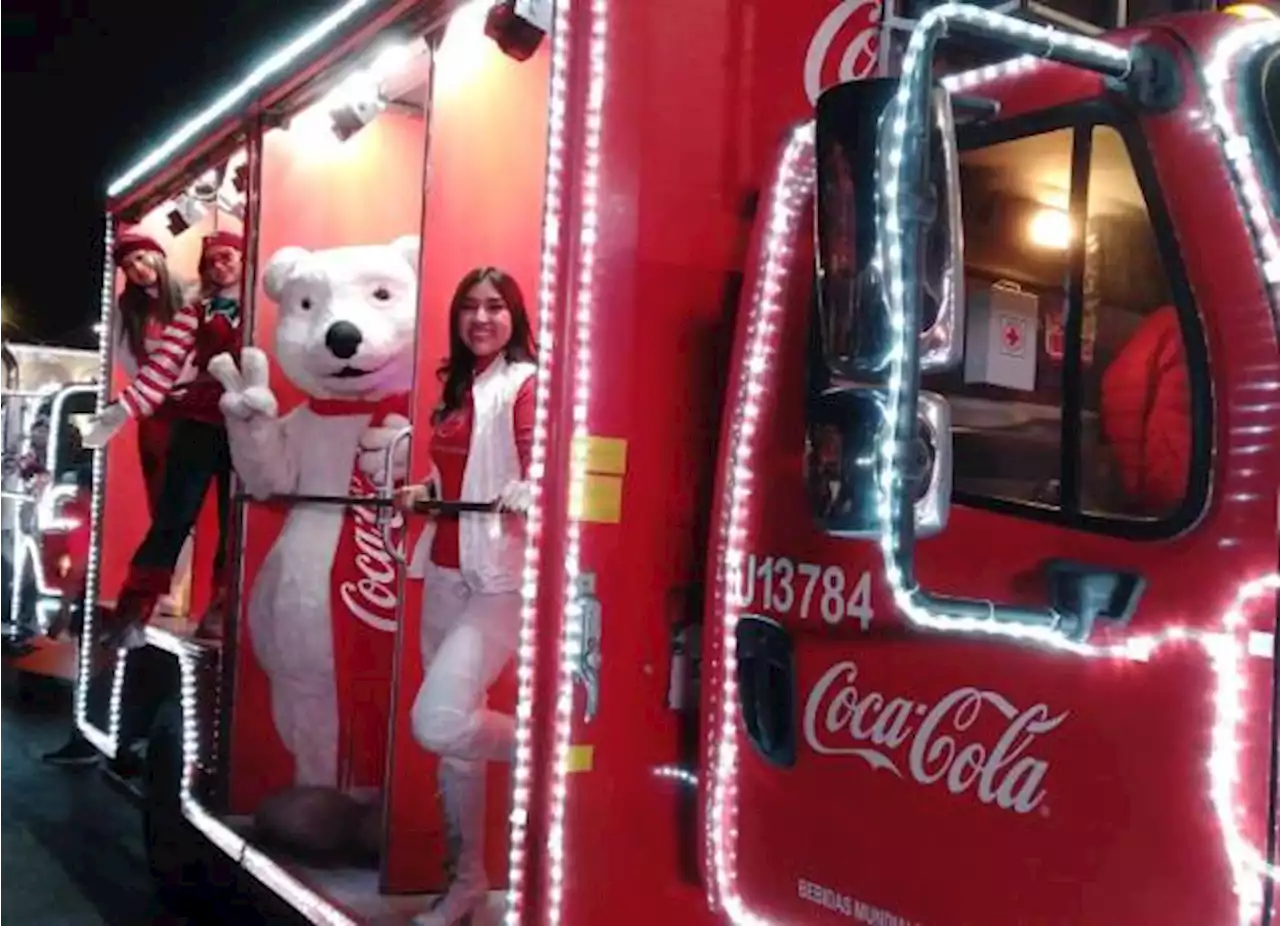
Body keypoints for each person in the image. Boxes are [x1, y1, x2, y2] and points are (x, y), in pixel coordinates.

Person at [395, 267, 537, 926]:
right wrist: (425, 490)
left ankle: (546, 747)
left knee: (439, 721)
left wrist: (532, 489)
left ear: (514, 316)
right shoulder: (460, 387)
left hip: (499, 580)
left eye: (495, 307)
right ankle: (467, 883)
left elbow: (549, 466)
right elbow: (453, 471)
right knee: (453, 747)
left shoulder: (524, 384)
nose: (481, 319)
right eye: (470, 308)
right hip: (444, 571)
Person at [43, 230, 194, 767]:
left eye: (141, 258)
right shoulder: (133, 316)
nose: (137, 269)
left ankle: (181, 588)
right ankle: (168, 587)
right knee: (164, 508)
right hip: (154, 415)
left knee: (185, 505)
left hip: (190, 412)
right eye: (127, 263)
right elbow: (136, 372)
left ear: (158, 256)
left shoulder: (189, 301)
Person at [82, 229, 244, 647]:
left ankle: (223, 605)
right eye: (212, 262)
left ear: (244, 258)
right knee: (172, 518)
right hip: (199, 419)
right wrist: (120, 411)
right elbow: (160, 368)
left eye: (227, 257)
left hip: (247, 426)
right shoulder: (195, 311)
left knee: (236, 522)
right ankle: (135, 609)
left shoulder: (262, 307)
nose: (220, 266)